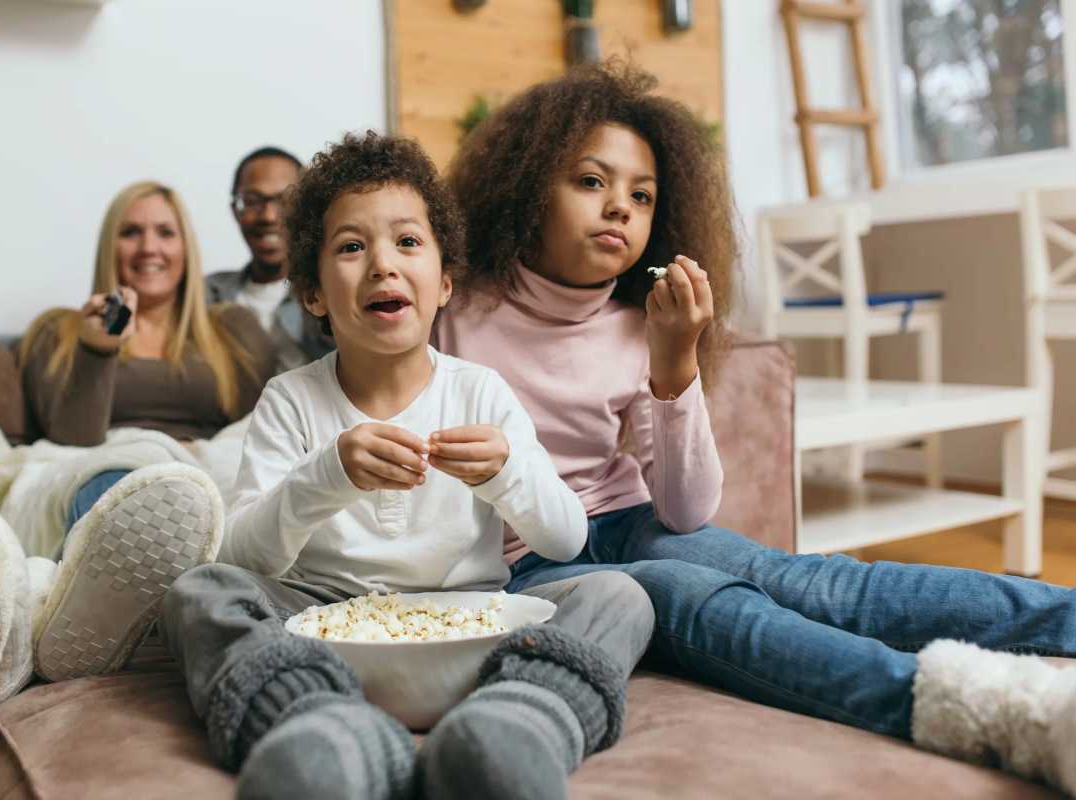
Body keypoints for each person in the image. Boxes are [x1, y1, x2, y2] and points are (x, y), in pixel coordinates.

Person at [435, 62, 1076, 795]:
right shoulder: (453, 310)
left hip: (627, 518)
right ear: (524, 186)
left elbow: (685, 511)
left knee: (820, 583)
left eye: (641, 196)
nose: (619, 208)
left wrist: (674, 366)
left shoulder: (637, 325)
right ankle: (994, 712)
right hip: (529, 561)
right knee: (692, 595)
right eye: (590, 182)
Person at [162, 132, 655, 800]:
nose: (383, 266)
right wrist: (326, 475)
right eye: (351, 246)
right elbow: (247, 556)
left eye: (407, 242)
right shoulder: (291, 400)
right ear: (311, 293)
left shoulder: (480, 390)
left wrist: (506, 472)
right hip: (326, 636)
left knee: (618, 595)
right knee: (202, 591)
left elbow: (565, 539)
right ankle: (321, 726)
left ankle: (515, 723)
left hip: (472, 629)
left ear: (445, 281)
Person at [0, 181, 281, 754]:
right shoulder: (60, 330)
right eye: (131, 231)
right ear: (108, 246)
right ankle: (99, 585)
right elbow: (72, 436)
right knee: (132, 475)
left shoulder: (234, 332)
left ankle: (36, 621)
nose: (149, 247)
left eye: (165, 232)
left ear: (187, 248)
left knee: (213, 476)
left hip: (205, 465)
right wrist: (99, 350)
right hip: (95, 462)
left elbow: (267, 422)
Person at [206, 146, 333, 364]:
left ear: (306, 210)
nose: (269, 216)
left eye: (285, 200)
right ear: (236, 210)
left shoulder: (333, 294)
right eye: (253, 201)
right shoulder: (204, 296)